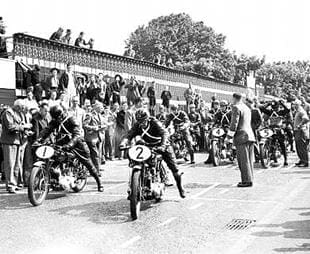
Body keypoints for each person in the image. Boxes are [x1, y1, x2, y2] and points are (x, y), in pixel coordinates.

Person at [120, 109, 186, 198]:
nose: (141, 123)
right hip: (147, 145)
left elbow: (164, 133)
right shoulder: (137, 126)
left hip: (161, 144)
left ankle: (180, 188)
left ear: (147, 119)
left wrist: (163, 146)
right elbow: (129, 135)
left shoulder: (155, 122)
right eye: (139, 121)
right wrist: (123, 143)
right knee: (137, 159)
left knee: (175, 169)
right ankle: (134, 187)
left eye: (143, 121)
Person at [39, 105, 103, 192]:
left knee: (88, 163)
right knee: (54, 158)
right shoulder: (56, 120)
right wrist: (39, 139)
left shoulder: (72, 119)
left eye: (57, 117)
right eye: (54, 118)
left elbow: (77, 134)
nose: (56, 119)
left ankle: (99, 183)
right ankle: (57, 178)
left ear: (61, 114)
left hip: (77, 144)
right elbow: (47, 129)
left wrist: (70, 144)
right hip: (63, 142)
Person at [0, 100, 32, 193]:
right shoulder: (8, 113)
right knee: (10, 164)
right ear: (17, 106)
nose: (22, 109)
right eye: (21, 107)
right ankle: (10, 185)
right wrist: (24, 127)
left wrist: (25, 130)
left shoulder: (17, 113)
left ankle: (15, 184)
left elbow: (18, 125)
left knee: (17, 164)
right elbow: (10, 127)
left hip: (17, 141)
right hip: (9, 142)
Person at [226, 93, 256, 187]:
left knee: (243, 160)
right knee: (249, 160)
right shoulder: (247, 108)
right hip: (250, 135)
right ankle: (250, 179)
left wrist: (229, 137)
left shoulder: (236, 107)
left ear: (234, 98)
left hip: (241, 136)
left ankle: (246, 181)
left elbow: (234, 124)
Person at [259, 99, 290, 166]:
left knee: (282, 144)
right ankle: (272, 156)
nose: (275, 109)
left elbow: (287, 110)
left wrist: (282, 104)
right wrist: (268, 104)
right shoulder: (270, 112)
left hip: (279, 129)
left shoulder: (281, 112)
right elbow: (261, 108)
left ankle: (285, 159)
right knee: (271, 142)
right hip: (271, 129)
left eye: (276, 108)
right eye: (274, 108)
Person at [83, 101, 106, 175]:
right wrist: (94, 128)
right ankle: (96, 172)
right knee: (95, 155)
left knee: (98, 155)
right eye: (100, 107)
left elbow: (102, 124)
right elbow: (85, 125)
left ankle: (97, 169)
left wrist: (104, 127)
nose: (101, 109)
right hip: (91, 138)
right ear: (96, 108)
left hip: (99, 137)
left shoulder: (100, 116)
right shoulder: (89, 115)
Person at [292, 99, 309, 167]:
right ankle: (301, 160)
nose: (294, 105)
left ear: (298, 105)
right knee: (298, 146)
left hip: (301, 131)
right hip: (297, 131)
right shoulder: (297, 111)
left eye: (295, 104)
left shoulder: (301, 111)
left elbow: (306, 119)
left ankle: (305, 161)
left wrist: (300, 125)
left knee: (302, 146)